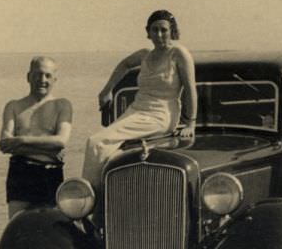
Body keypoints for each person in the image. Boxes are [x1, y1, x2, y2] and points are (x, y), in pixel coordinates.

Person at [81, 10, 197, 192]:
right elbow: (124, 65)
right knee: (111, 149)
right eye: (154, 30)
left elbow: (190, 89)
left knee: (96, 143)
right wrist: (107, 89)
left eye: (163, 30)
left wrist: (190, 123)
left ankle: (88, 200)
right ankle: (105, 194)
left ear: (172, 30)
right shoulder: (145, 55)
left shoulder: (178, 54)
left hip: (161, 114)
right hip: (137, 110)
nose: (159, 35)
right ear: (148, 32)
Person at [0, 56, 72, 219]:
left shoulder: (62, 105)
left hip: (50, 174)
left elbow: (61, 141)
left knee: (51, 228)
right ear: (28, 77)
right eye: (37, 75)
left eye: (47, 75)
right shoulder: (14, 106)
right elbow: (4, 144)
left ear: (55, 79)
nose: (42, 80)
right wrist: (49, 149)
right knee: (18, 226)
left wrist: (21, 141)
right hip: (21, 173)